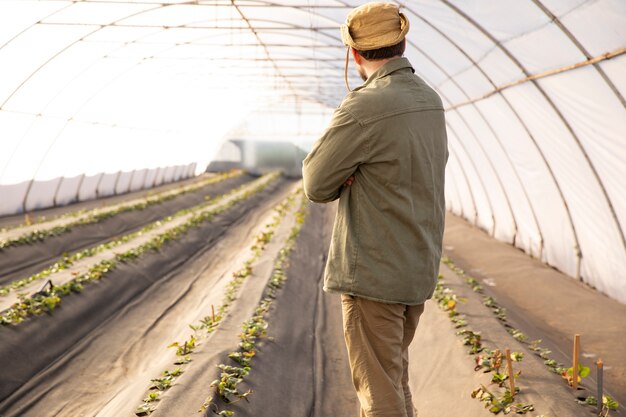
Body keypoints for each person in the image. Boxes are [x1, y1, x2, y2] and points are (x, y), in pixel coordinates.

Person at [302, 3, 449, 417]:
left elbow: (316, 183)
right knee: (393, 378)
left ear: (355, 54)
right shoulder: (429, 100)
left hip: (374, 273)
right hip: (414, 266)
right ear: (403, 42)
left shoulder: (365, 106)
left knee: (378, 394)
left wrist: (353, 173)